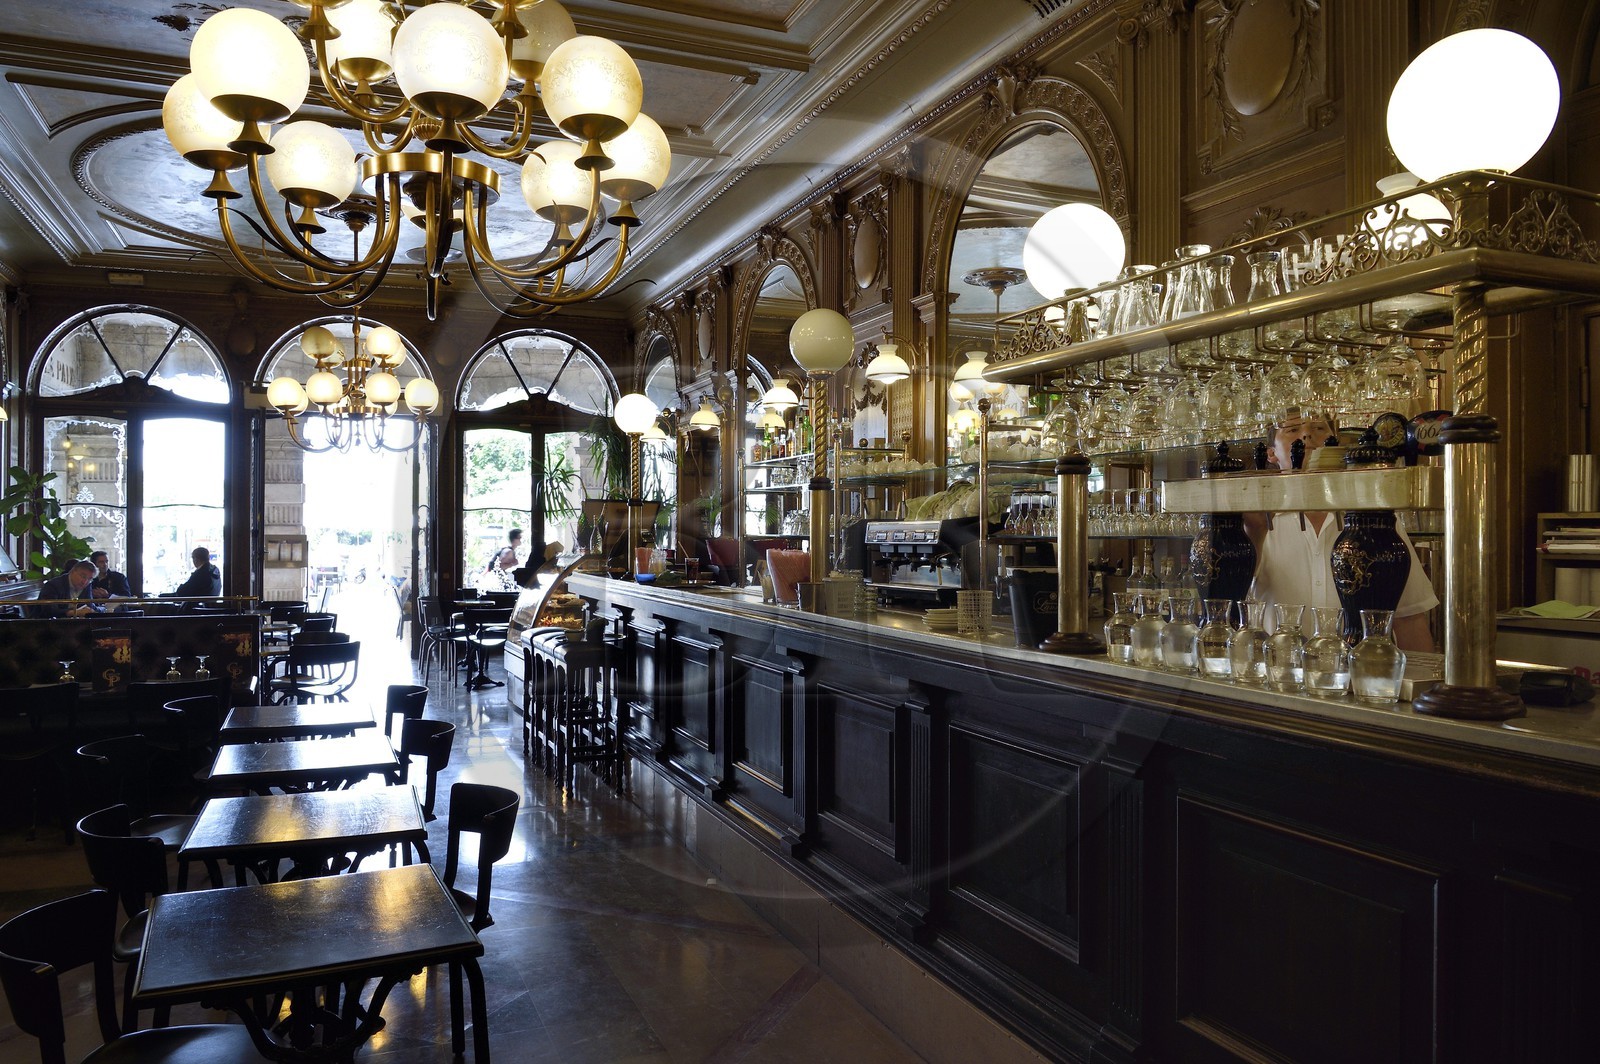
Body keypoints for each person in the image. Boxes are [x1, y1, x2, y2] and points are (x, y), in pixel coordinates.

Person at [1244, 411, 1437, 652]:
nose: (1307, 435)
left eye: (1319, 429)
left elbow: (1409, 618)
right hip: (1281, 676)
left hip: (1361, 674)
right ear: (1271, 452)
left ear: (1335, 443)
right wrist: (1255, 531)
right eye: (1293, 430)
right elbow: (1230, 602)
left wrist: (1419, 684)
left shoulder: (1376, 519)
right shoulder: (1257, 521)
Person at [32, 559, 101, 618]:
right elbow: (49, 611)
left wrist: (106, 609)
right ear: (72, 571)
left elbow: (90, 606)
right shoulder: (53, 585)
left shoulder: (87, 585)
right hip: (46, 626)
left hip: (74, 626)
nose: (85, 581)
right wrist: (74, 612)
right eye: (83, 576)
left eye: (89, 579)